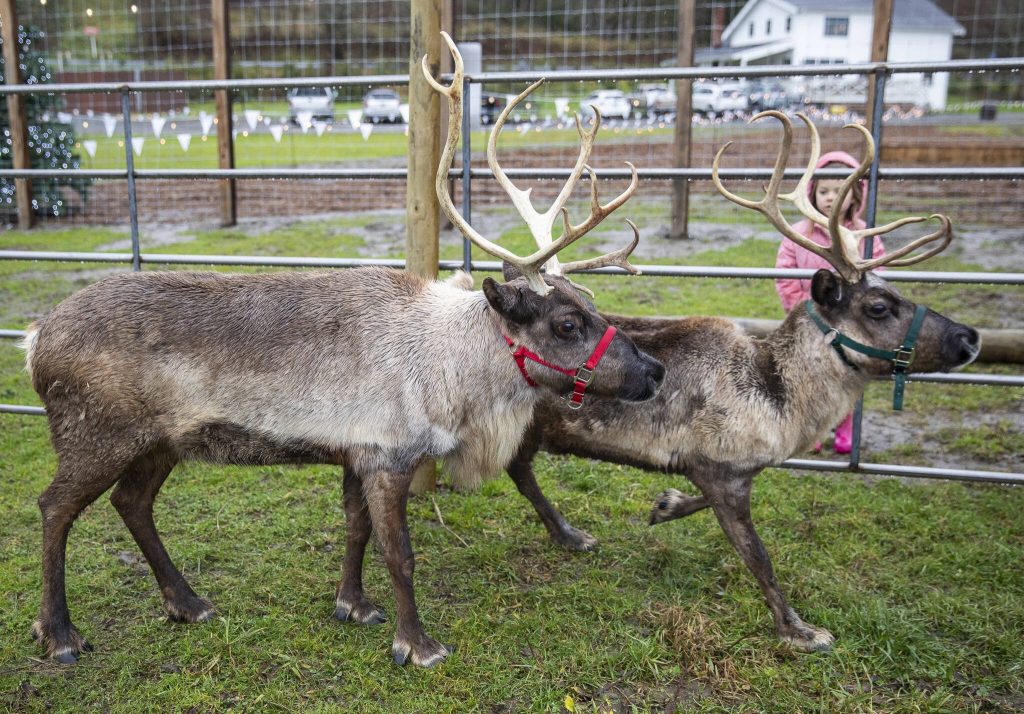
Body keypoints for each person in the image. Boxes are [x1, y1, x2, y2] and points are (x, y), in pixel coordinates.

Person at [774, 150, 885, 454]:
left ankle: (845, 427)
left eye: (839, 192)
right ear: (812, 194)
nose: (830, 198)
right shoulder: (798, 234)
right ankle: (812, 430)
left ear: (855, 195)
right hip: (809, 319)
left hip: (852, 324)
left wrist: (865, 314)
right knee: (809, 376)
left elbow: (879, 276)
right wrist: (802, 308)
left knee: (848, 375)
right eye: (824, 191)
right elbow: (784, 273)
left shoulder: (866, 235)